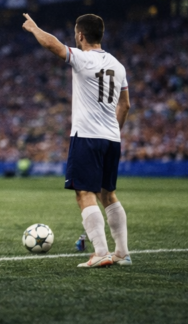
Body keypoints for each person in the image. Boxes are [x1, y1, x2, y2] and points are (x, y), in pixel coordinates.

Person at [22, 13, 132, 268]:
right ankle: (122, 253)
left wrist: (34, 28)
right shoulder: (118, 66)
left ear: (80, 35)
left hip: (87, 137)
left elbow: (53, 45)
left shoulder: (82, 59)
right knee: (109, 195)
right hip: (111, 138)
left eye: (75, 33)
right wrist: (113, 131)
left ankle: (101, 252)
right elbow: (125, 105)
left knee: (84, 194)